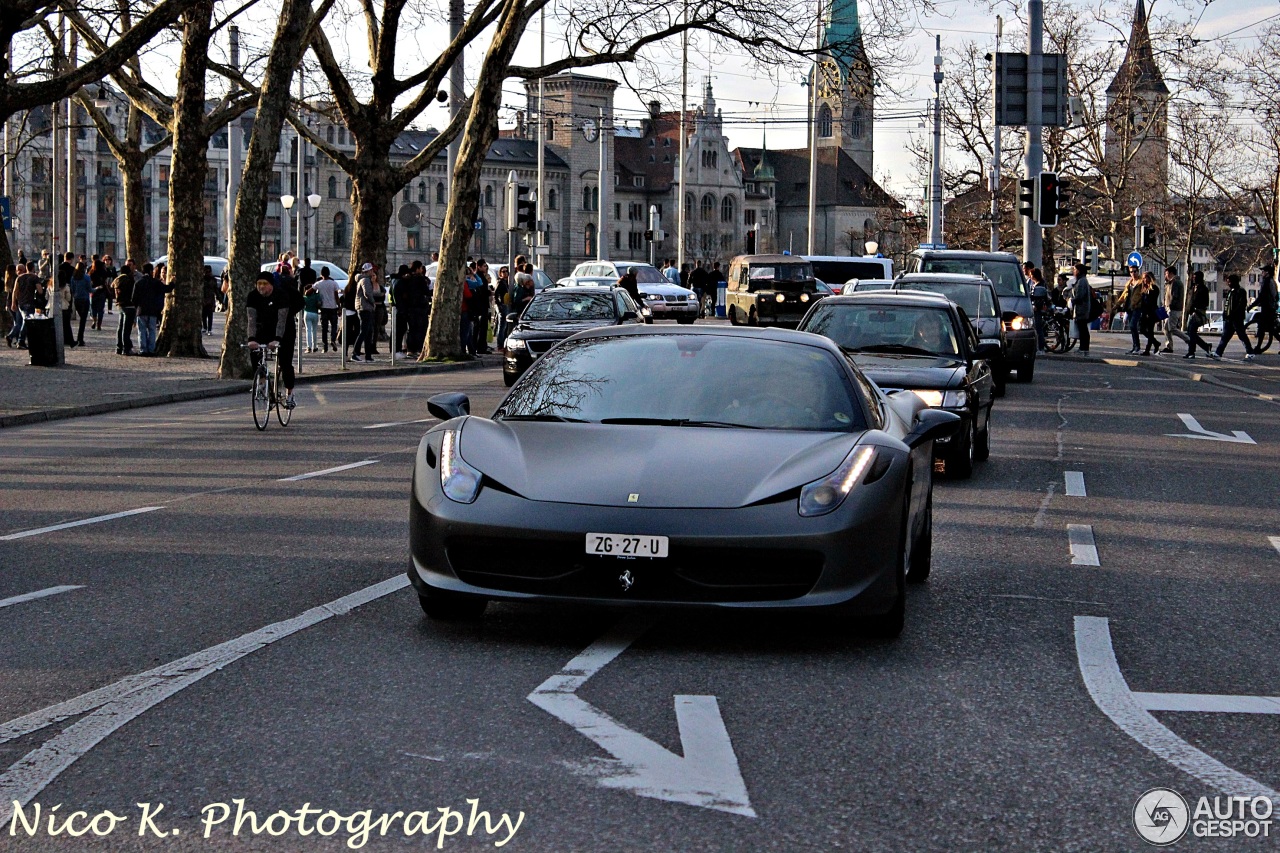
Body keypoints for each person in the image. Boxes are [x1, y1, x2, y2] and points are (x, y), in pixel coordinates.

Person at [246, 273, 298, 408]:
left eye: (265, 284)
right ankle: (262, 382)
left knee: (285, 362)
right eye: (259, 284)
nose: (261, 286)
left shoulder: (281, 295)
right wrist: (251, 339)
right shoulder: (252, 296)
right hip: (264, 328)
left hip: (285, 330)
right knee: (254, 352)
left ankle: (290, 393)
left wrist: (277, 340)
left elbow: (282, 321)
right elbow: (251, 319)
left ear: (271, 285)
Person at [132, 263, 172, 356]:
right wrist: (172, 282)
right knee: (152, 330)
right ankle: (151, 349)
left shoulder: (138, 282)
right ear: (151, 271)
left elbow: (134, 299)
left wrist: (137, 307)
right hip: (153, 310)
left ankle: (143, 349)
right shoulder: (155, 282)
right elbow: (167, 289)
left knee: (142, 331)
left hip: (141, 310)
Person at [1213, 274, 1255, 361]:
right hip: (1229, 318)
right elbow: (1227, 305)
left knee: (1241, 335)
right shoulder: (1230, 292)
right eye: (1228, 282)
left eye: (1229, 282)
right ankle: (1218, 352)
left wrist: (1233, 313)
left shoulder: (1241, 291)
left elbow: (1241, 305)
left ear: (1235, 282)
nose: (1228, 283)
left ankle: (1250, 352)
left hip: (1236, 318)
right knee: (1225, 336)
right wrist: (1225, 314)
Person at [352, 262, 381, 361]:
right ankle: (355, 353)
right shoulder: (365, 280)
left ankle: (368, 355)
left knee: (368, 332)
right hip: (364, 308)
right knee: (364, 331)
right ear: (367, 271)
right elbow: (367, 294)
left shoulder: (363, 280)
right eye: (371, 270)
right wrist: (373, 302)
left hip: (364, 307)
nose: (373, 272)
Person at [8, 263, 40, 348]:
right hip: (29, 302)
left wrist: (13, 303)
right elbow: (40, 291)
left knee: (20, 322)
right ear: (33, 268)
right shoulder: (34, 277)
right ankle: (21, 340)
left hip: (20, 303)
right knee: (26, 321)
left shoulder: (19, 278)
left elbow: (14, 291)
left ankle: (13, 337)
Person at [1184, 270, 1213, 359]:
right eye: (1193, 277)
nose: (1194, 279)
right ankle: (1205, 346)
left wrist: (1196, 307)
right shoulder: (1193, 288)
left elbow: (1205, 302)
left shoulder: (1203, 289)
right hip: (1192, 312)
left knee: (1191, 332)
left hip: (1198, 313)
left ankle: (1191, 351)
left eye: (1195, 277)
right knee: (1190, 332)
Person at [112, 259, 138, 355]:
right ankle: (126, 348)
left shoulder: (118, 280)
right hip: (129, 306)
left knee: (121, 327)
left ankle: (119, 347)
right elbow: (133, 294)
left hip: (121, 305)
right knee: (127, 329)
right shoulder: (129, 280)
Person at [1248, 263, 1277, 349]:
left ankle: (1258, 347)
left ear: (1267, 272)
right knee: (1271, 329)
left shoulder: (1267, 282)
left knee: (1262, 327)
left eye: (1263, 271)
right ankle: (1258, 346)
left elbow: (1261, 296)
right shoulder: (1272, 281)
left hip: (1267, 308)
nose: (1262, 273)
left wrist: (1251, 306)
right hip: (1270, 307)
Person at [313, 266, 341, 352]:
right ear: (329, 274)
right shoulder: (334, 283)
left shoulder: (319, 283)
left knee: (324, 328)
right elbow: (336, 296)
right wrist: (339, 306)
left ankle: (325, 346)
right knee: (334, 326)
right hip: (333, 307)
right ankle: (333, 339)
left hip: (323, 308)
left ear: (321, 274)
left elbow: (308, 291)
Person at [1118, 266, 1145, 354]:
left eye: (1134, 271)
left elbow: (1143, 294)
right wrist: (1116, 305)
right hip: (1129, 307)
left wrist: (1139, 302)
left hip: (1137, 307)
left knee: (1133, 325)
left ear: (1138, 271)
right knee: (1131, 327)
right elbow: (1123, 295)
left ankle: (1137, 347)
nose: (1133, 273)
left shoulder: (1141, 282)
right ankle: (1134, 346)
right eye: (1131, 272)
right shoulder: (1129, 283)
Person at [1160, 267, 1187, 353]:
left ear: (1171, 273)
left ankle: (1188, 340)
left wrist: (1170, 306)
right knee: (1166, 328)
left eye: (1166, 273)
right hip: (1170, 308)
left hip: (1174, 309)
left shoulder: (1175, 283)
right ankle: (1169, 346)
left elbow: (1174, 296)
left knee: (1172, 328)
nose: (1165, 275)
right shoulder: (1170, 283)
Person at [1070, 263, 1092, 356]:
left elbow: (1080, 296)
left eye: (1074, 270)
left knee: (1083, 329)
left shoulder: (1082, 281)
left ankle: (1084, 348)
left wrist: (1072, 301)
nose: (1073, 272)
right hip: (1082, 308)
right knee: (1082, 329)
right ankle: (1083, 347)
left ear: (1078, 271)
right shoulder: (1081, 280)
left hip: (1082, 309)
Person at [1138, 271, 1161, 356]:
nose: (1144, 280)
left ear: (1150, 278)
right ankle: (1156, 343)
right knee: (1142, 329)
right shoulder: (1144, 288)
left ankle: (1147, 350)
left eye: (1146, 277)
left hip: (1151, 312)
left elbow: (1151, 302)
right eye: (1143, 278)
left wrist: (1148, 312)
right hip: (1144, 312)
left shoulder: (1154, 288)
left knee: (1150, 331)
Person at [70, 261, 92, 346]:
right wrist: (97, 289)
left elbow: (72, 289)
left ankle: (80, 338)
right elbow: (90, 289)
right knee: (83, 320)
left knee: (81, 318)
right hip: (85, 299)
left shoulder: (73, 278)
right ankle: (80, 338)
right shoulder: (86, 277)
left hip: (77, 299)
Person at [1029, 268, 1049, 353]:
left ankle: (1041, 347)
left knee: (1038, 329)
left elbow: (1040, 298)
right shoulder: (1037, 284)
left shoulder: (1040, 285)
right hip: (1036, 308)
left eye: (1031, 274)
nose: (1030, 276)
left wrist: (1036, 305)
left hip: (1038, 309)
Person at [89, 256, 109, 330]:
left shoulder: (91, 272)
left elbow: (90, 282)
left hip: (93, 291)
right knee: (101, 309)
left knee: (93, 308)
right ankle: (99, 325)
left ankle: (94, 320)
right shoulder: (104, 272)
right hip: (102, 291)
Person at [302, 282, 322, 352]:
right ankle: (315, 346)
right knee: (314, 330)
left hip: (307, 312)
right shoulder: (316, 296)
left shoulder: (304, 297)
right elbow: (319, 303)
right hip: (315, 313)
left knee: (308, 330)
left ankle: (308, 347)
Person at [202, 265, 218, 335]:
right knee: (203, 315)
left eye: (209, 271)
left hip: (211, 300)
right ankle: (205, 327)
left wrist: (220, 300)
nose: (207, 273)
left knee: (210, 315)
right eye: (206, 271)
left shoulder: (213, 280)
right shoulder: (201, 280)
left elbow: (216, 290)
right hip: (203, 299)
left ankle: (209, 329)